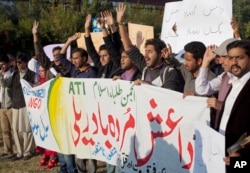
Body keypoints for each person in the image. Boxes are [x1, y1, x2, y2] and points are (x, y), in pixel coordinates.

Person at [32, 20, 76, 173]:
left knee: (66, 146)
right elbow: (39, 54)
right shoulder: (50, 67)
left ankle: (71, 170)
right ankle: (63, 169)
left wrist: (63, 78)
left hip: (68, 113)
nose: (56, 57)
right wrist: (35, 35)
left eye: (58, 55)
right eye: (54, 55)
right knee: (57, 144)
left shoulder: (70, 70)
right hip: (53, 112)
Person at [117, 3, 183, 92]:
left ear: (161, 54)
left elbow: (169, 97)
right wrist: (120, 24)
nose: (146, 55)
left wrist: (149, 86)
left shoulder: (169, 72)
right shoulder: (145, 67)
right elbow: (129, 48)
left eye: (150, 52)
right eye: (146, 51)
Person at [59, 32, 97, 173]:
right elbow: (61, 57)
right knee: (79, 149)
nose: (73, 61)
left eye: (76, 58)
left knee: (90, 149)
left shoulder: (92, 73)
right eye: (73, 58)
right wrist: (69, 40)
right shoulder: (73, 71)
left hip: (90, 116)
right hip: (76, 116)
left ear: (85, 58)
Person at [216, 40, 250, 173]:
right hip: (224, 160)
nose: (234, 63)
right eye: (230, 58)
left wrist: (241, 163)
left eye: (239, 58)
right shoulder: (232, 84)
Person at [195, 38, 237, 130]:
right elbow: (201, 89)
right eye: (220, 56)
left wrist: (221, 106)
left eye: (225, 57)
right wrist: (206, 61)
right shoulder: (225, 76)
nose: (221, 61)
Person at [10, 53, 36, 161]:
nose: (19, 64)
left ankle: (27, 151)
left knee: (26, 129)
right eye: (17, 62)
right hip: (15, 104)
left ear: (26, 62)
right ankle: (19, 152)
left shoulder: (31, 74)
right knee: (15, 129)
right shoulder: (15, 74)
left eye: (20, 62)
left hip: (26, 104)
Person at [34, 65, 58, 169]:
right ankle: (45, 154)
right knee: (43, 134)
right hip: (41, 114)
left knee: (51, 135)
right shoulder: (39, 83)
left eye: (42, 71)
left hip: (50, 113)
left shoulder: (51, 82)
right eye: (39, 71)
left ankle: (53, 156)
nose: (40, 73)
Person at [84, 13, 120, 78]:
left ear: (111, 55)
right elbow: (90, 50)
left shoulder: (115, 65)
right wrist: (87, 29)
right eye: (100, 56)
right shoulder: (100, 65)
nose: (102, 59)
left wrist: (103, 28)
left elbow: (110, 45)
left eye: (105, 55)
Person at [0, 54, 15, 157]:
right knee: (5, 130)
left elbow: (5, 84)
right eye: (0, 65)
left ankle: (18, 150)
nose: (2, 67)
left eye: (3, 64)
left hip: (10, 105)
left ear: (8, 63)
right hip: (2, 106)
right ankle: (7, 150)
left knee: (14, 130)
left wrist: (1, 76)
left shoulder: (12, 74)